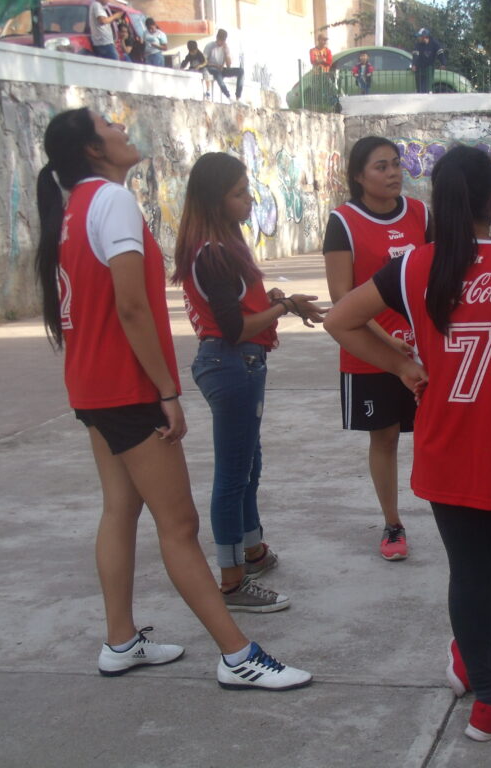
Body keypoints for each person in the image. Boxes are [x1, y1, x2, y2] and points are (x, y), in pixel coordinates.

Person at [34, 108, 312, 690]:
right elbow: (132, 307)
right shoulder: (110, 202)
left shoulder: (73, 208)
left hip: (90, 386)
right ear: (92, 150)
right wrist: (166, 391)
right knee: (180, 525)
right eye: (107, 126)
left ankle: (120, 641)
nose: (120, 128)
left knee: (120, 509)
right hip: (126, 388)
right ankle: (238, 656)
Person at [325, 145, 491, 742]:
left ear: (436, 202)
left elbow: (340, 318)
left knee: (471, 570)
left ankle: (475, 664)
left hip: (448, 446)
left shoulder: (415, 267)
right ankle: (490, 697)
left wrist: (398, 364)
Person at [172, 153, 326, 611]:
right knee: (233, 475)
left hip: (241, 364)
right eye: (239, 193)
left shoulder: (224, 245)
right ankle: (233, 582)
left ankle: (253, 551)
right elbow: (235, 328)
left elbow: (242, 307)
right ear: (215, 200)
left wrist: (280, 299)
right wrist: (286, 307)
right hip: (232, 362)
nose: (249, 200)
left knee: (248, 465)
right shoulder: (213, 253)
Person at [322, 137, 431, 560]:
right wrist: (390, 345)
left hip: (424, 352)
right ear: (358, 176)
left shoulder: (421, 214)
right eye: (380, 167)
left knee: (436, 431)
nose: (392, 173)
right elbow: (341, 299)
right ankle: (392, 524)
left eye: (395, 164)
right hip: (369, 352)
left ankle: (454, 507)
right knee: (383, 437)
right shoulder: (343, 222)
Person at [204, 29, 244, 101]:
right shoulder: (210, 46)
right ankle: (228, 96)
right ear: (217, 38)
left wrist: (226, 53)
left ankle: (238, 97)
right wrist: (216, 66)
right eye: (220, 40)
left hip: (221, 68)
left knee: (240, 71)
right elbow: (204, 62)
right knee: (217, 73)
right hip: (211, 68)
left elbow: (228, 65)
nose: (221, 43)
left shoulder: (225, 47)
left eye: (223, 41)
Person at [411, 28, 445, 93]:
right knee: (419, 89)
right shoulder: (418, 45)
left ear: (424, 37)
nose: (418, 38)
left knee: (426, 88)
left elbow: (440, 53)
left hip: (429, 69)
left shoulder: (434, 44)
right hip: (419, 69)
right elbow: (415, 55)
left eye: (419, 36)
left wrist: (443, 63)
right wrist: (414, 64)